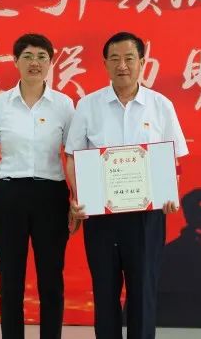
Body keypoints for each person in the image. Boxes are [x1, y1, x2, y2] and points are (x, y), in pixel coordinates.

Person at [65, 32, 189, 339]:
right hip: (100, 216)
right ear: (105, 64)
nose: (122, 65)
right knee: (105, 290)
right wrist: (77, 196)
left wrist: (170, 193)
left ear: (142, 63)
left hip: (147, 217)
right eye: (115, 59)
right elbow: (72, 157)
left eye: (129, 58)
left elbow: (174, 159)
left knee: (143, 290)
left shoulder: (160, 106)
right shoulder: (88, 105)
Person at [0, 33, 74, 339]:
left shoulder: (64, 105)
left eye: (42, 57)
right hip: (9, 195)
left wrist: (76, 199)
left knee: (51, 279)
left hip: (51, 196)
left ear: (51, 62)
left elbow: (71, 156)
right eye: (28, 56)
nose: (35, 63)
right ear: (16, 61)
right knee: (10, 278)